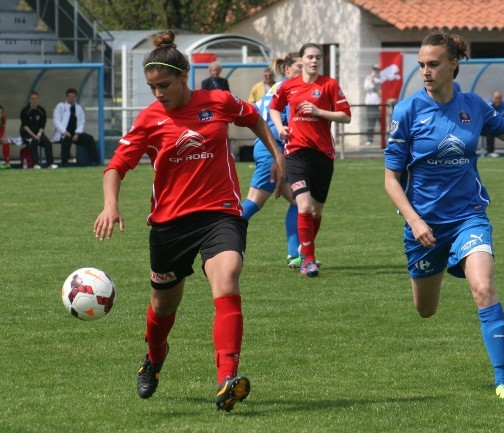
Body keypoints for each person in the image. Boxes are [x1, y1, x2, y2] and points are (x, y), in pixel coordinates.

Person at [93, 30, 285, 412]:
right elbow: (115, 166)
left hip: (219, 214)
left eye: (164, 85)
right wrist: (110, 206)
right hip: (170, 225)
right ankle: (154, 358)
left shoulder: (217, 100)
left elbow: (253, 118)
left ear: (184, 76)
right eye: (152, 87)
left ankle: (227, 379)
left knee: (227, 278)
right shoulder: (149, 119)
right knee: (163, 308)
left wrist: (277, 155)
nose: (158, 93)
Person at [384, 31, 504, 400]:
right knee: (425, 310)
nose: (425, 71)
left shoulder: (475, 105)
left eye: (433, 64)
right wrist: (415, 221)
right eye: (421, 64)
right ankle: (431, 266)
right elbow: (391, 180)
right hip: (424, 226)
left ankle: (503, 381)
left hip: (468, 217)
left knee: (484, 288)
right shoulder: (407, 111)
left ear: (453, 64)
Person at [270, 42, 351, 277]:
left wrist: (318, 112)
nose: (314, 61)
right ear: (302, 60)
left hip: (323, 154)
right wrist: (279, 127)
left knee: (315, 211)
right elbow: (275, 109)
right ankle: (308, 259)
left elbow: (346, 116)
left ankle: (305, 253)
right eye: (310, 57)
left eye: (317, 57)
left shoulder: (329, 85)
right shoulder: (289, 86)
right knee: (303, 206)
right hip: (295, 152)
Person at [241, 53, 304, 268]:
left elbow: (256, 112)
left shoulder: (275, 88)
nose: (304, 70)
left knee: (298, 201)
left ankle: (295, 254)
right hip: (272, 150)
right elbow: (287, 123)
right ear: (287, 70)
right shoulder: (290, 90)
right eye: (300, 66)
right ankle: (219, 237)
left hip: (267, 147)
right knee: (254, 203)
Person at [52, 88, 100, 166]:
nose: (71, 98)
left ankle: (94, 161)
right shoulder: (60, 106)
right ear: (66, 97)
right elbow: (56, 120)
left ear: (76, 97)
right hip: (63, 133)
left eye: (73, 96)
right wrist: (64, 131)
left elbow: (82, 121)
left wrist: (77, 133)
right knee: (66, 139)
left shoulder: (79, 108)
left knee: (89, 138)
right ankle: (65, 161)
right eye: (70, 96)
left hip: (76, 133)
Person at [19, 91, 58, 169]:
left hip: (38, 133)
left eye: (36, 98)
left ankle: (50, 164)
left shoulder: (41, 110)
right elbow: (25, 126)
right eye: (32, 98)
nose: (34, 100)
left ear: (38, 99)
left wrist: (39, 135)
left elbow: (42, 125)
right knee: (33, 142)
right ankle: (35, 164)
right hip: (27, 134)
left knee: (47, 143)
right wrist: (34, 136)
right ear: (29, 99)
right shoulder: (25, 110)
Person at [485, 90, 504, 157]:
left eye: (499, 98)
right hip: (490, 125)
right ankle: (490, 152)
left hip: (501, 124)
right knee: (489, 131)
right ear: (492, 98)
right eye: (496, 98)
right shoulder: (488, 104)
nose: (498, 100)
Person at [363, 64, 382, 146]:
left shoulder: (382, 78)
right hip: (371, 104)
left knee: (383, 123)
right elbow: (366, 87)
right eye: (374, 69)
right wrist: (372, 79)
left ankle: (385, 140)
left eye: (377, 69)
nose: (376, 71)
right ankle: (369, 140)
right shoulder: (368, 78)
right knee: (371, 123)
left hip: (380, 104)